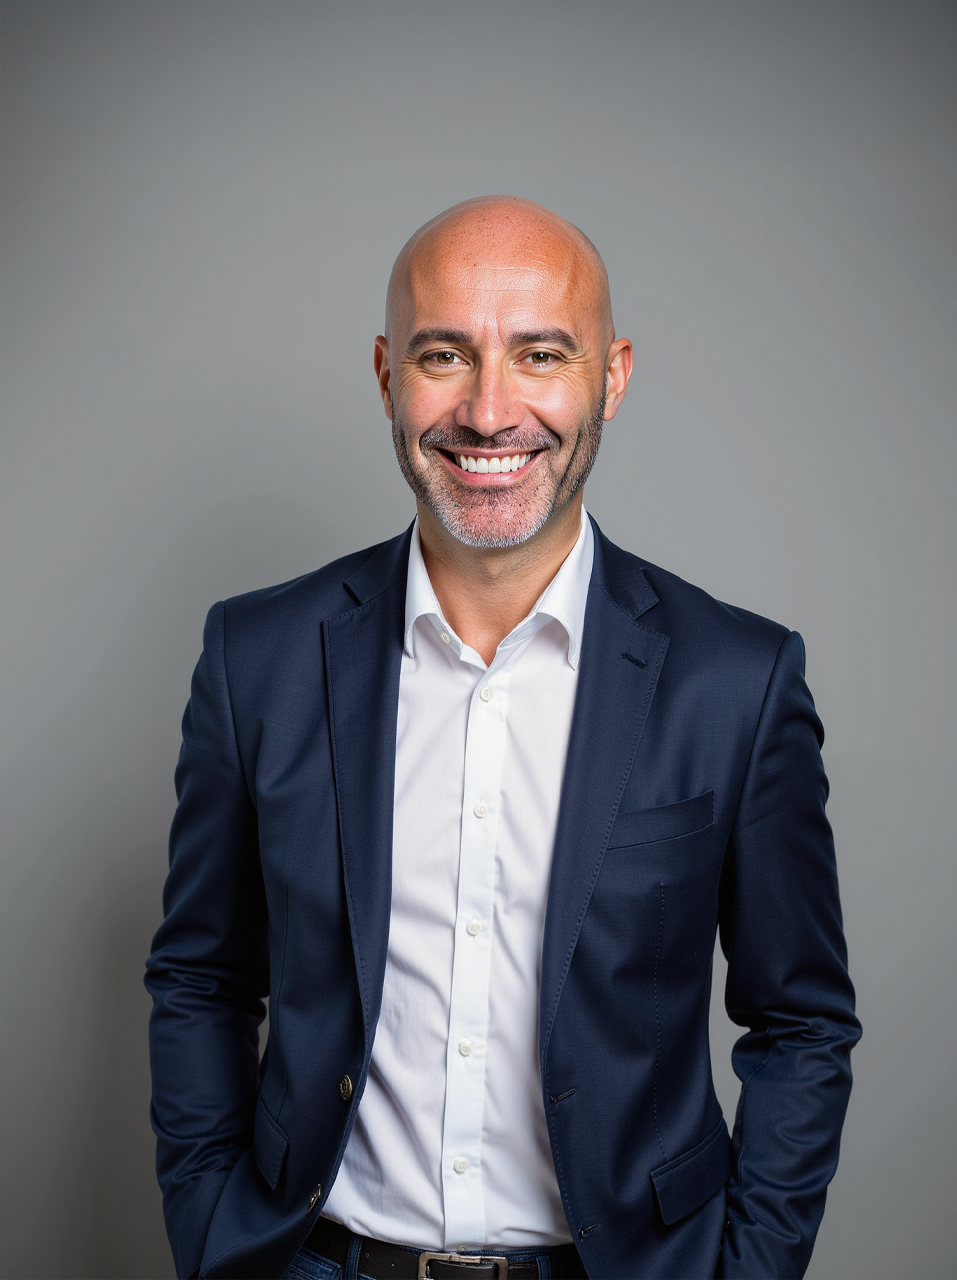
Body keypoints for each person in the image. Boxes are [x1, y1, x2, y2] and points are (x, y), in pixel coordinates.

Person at [146, 196, 860, 1280]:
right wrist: (214, 1235)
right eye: (445, 354)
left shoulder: (736, 682)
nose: (488, 411)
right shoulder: (259, 658)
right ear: (387, 373)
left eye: (539, 353)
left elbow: (801, 1020)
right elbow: (201, 976)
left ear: (610, 375)